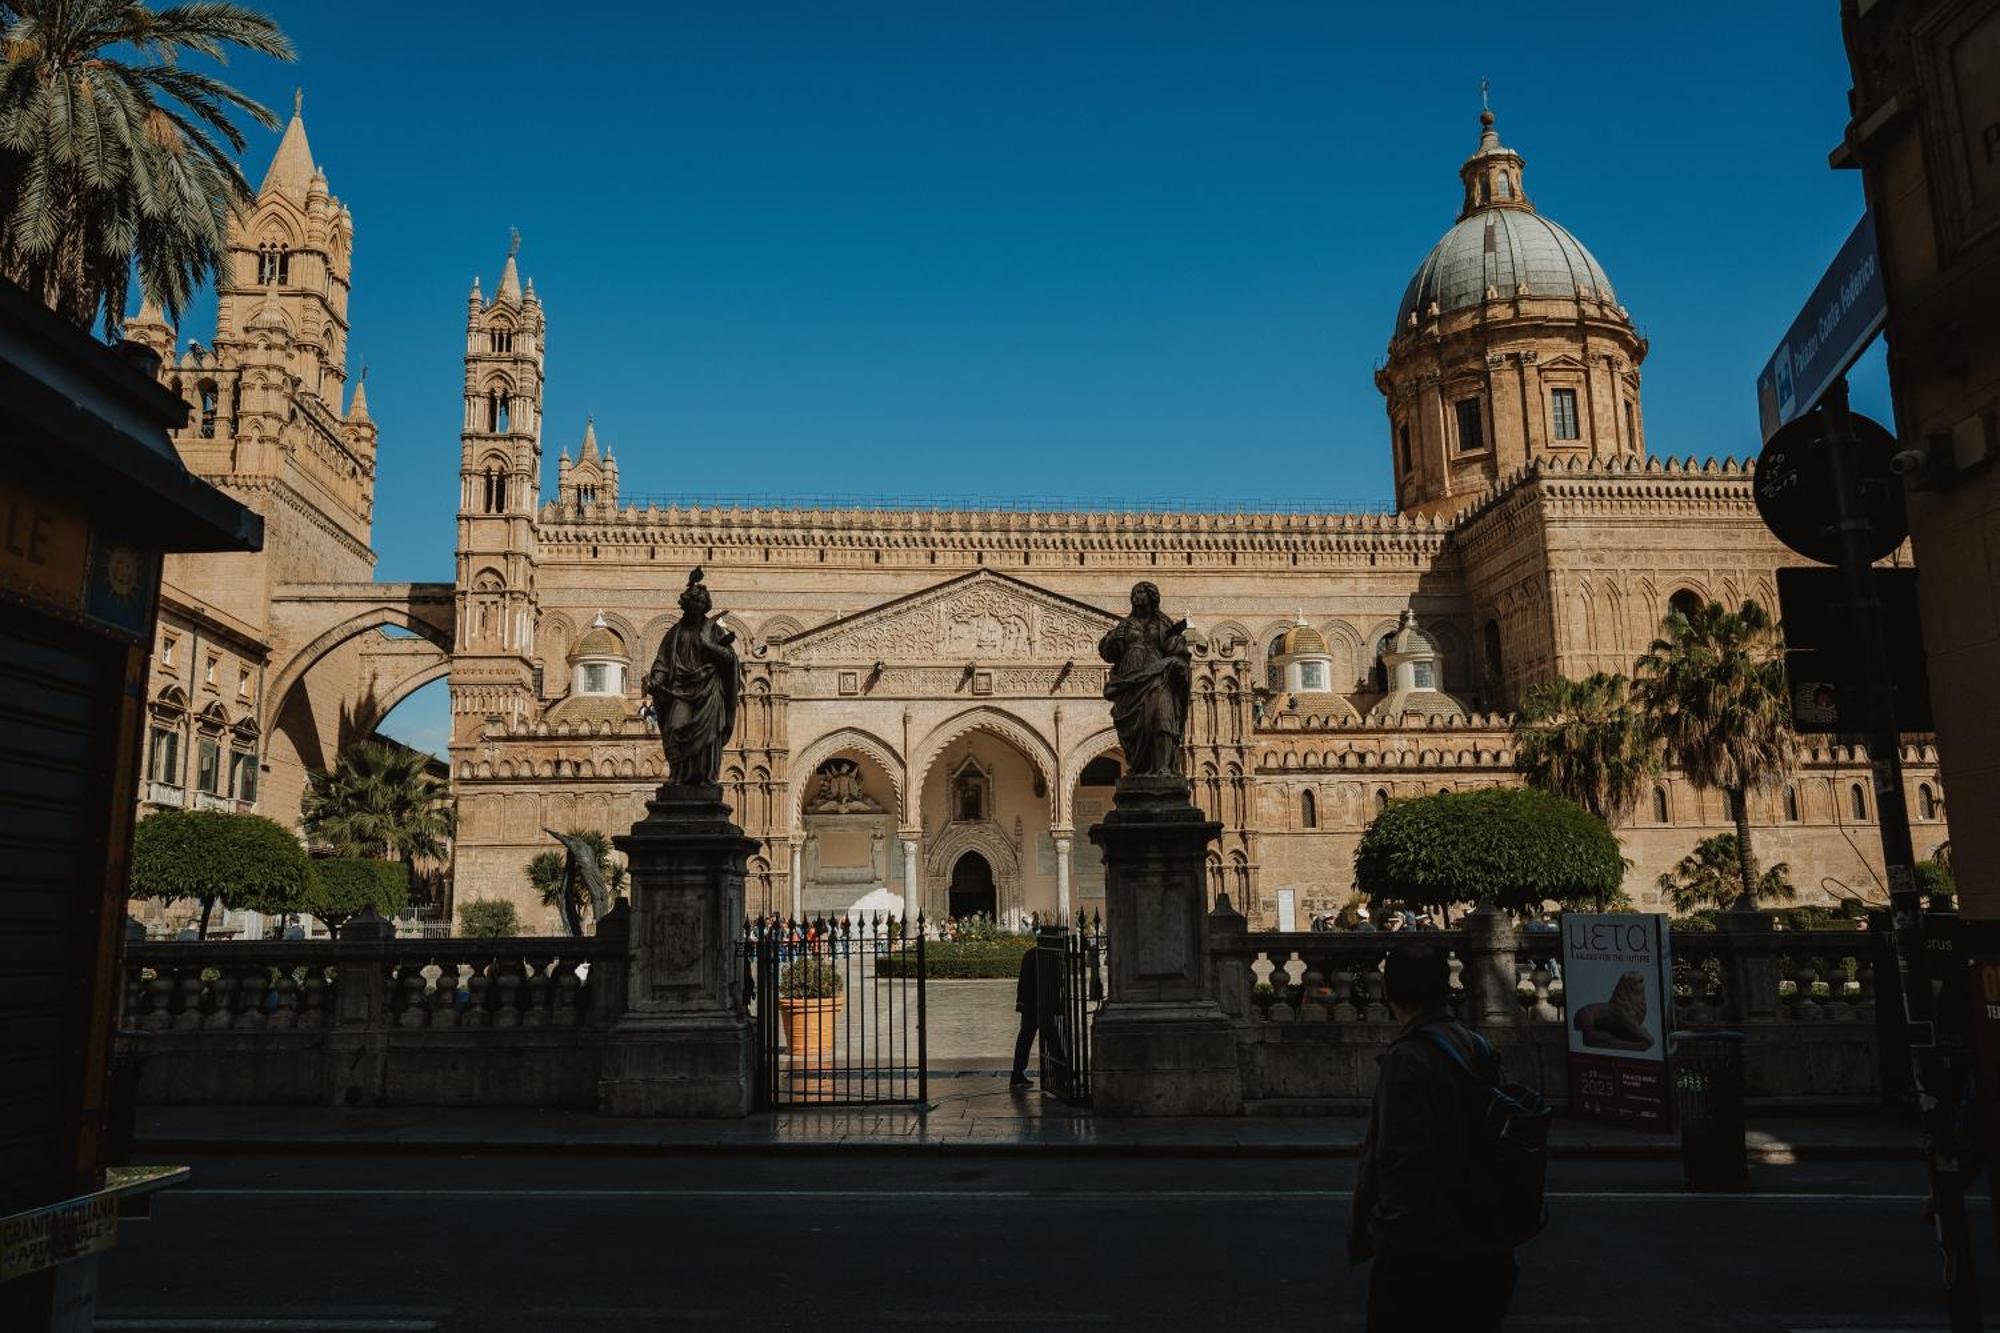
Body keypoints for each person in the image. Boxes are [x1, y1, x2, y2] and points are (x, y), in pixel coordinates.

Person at [1349, 941, 1517, 1331]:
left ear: (1390, 992)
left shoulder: (1408, 1058)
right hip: (1480, 1241)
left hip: (1425, 1252)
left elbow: (1401, 1161)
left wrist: (1385, 1237)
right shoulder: (1475, 1043)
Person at [1010, 941, 1042, 1090]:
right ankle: (1061, 1075)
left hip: (1027, 1003)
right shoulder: (1042, 955)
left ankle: (1017, 1073)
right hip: (1037, 1004)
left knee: (1024, 1039)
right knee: (1052, 1038)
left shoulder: (1030, 953)